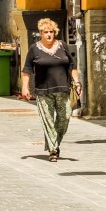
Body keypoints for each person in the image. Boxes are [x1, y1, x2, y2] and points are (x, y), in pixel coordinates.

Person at [28, 18, 80, 160]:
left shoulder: (62, 45)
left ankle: (54, 143)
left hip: (63, 89)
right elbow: (26, 70)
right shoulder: (34, 49)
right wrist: (25, 87)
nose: (49, 34)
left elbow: (71, 66)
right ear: (41, 33)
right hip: (43, 91)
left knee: (65, 118)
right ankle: (53, 150)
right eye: (46, 32)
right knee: (48, 121)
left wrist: (77, 82)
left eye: (51, 32)